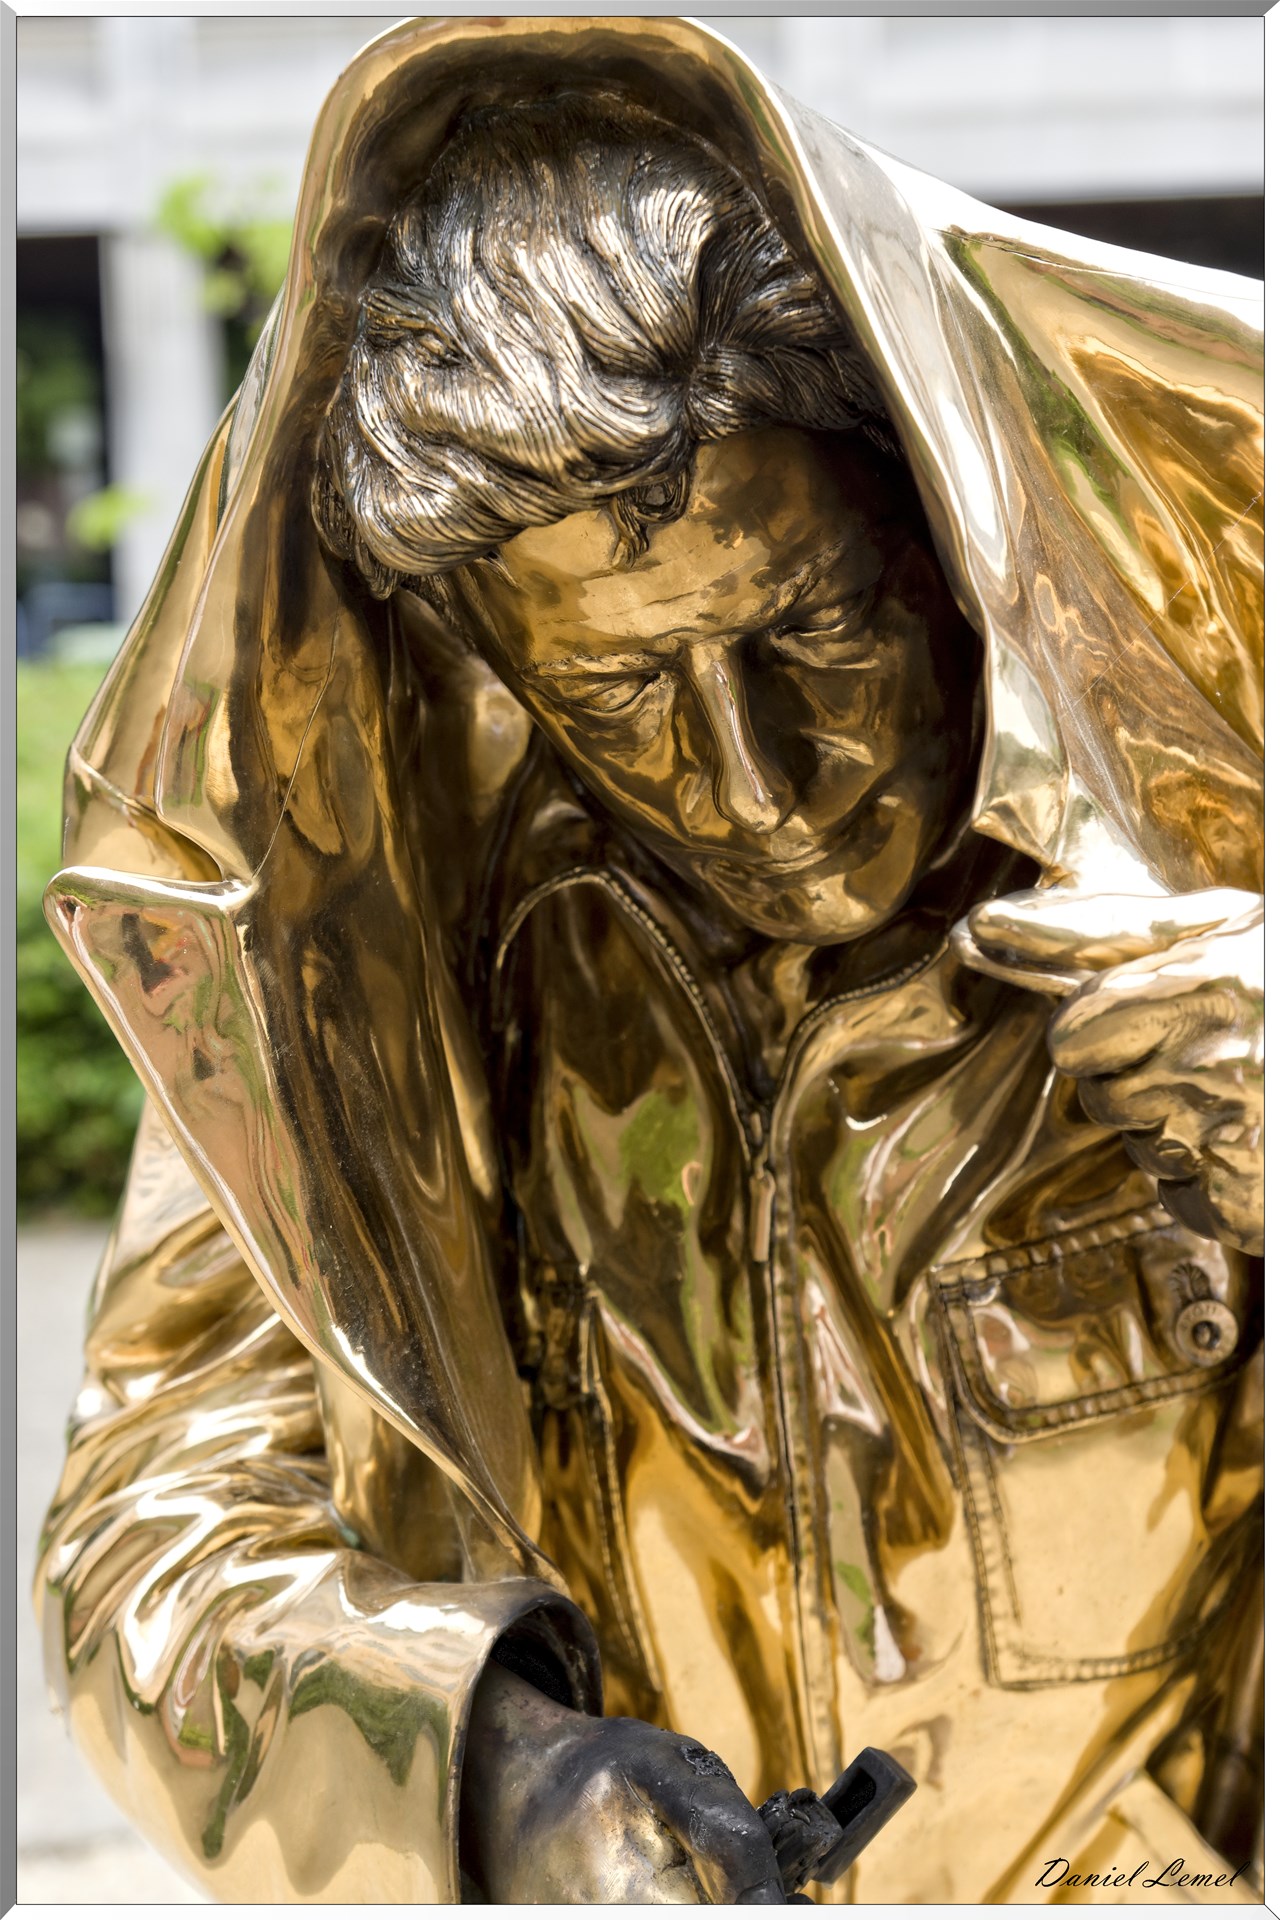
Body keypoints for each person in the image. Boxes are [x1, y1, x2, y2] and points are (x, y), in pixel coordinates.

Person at [39, 17, 1262, 1905]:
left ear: (943, 527)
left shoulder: (1227, 863)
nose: (761, 782)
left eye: (815, 630)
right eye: (622, 689)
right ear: (497, 672)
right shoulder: (370, 984)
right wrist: (491, 1770)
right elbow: (153, 1533)